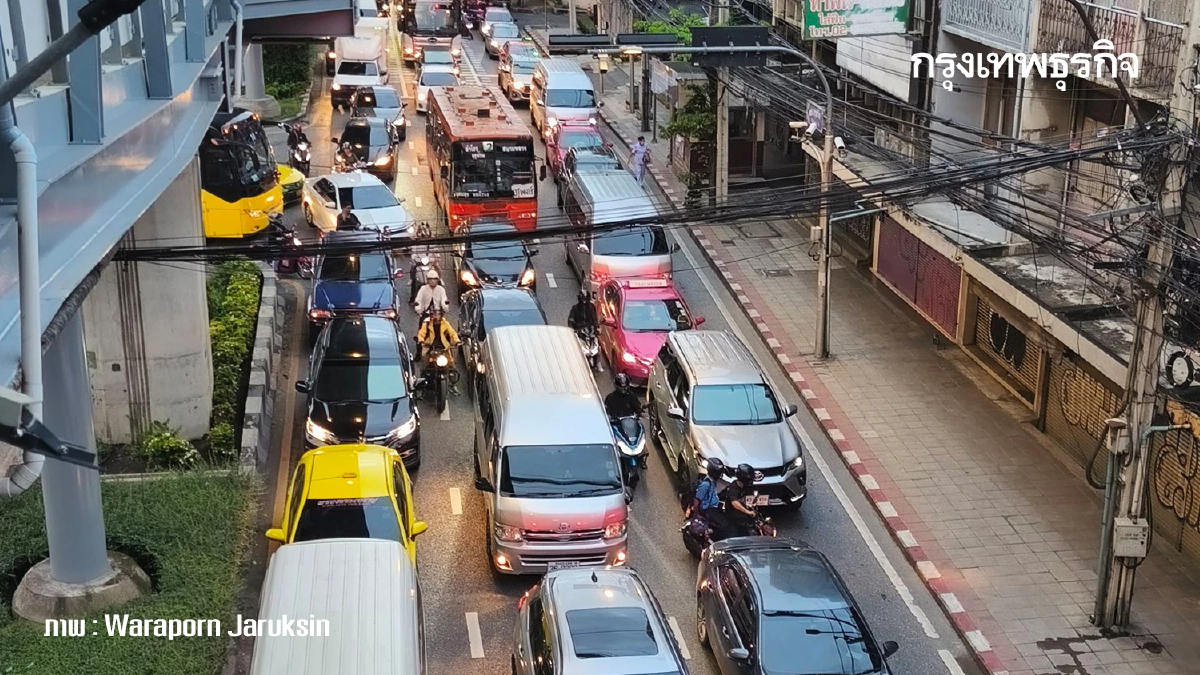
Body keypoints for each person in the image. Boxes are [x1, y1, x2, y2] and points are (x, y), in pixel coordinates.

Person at [416, 307, 461, 393]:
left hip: (443, 347)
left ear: (441, 315)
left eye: (437, 314)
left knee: (452, 365)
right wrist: (421, 341)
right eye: (434, 314)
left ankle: (453, 385)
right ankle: (421, 389)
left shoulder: (445, 323)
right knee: (425, 365)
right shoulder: (427, 323)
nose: (436, 316)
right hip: (430, 347)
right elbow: (421, 334)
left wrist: (457, 341)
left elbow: (452, 333)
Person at [688, 457, 728, 538]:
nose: (720, 475)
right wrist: (697, 514)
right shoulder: (705, 484)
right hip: (708, 510)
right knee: (724, 526)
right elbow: (697, 500)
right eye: (718, 473)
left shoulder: (713, 481)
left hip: (714, 507)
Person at [721, 463, 760, 537]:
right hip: (732, 515)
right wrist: (747, 512)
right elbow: (734, 503)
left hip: (739, 513)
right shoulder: (733, 487)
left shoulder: (743, 486)